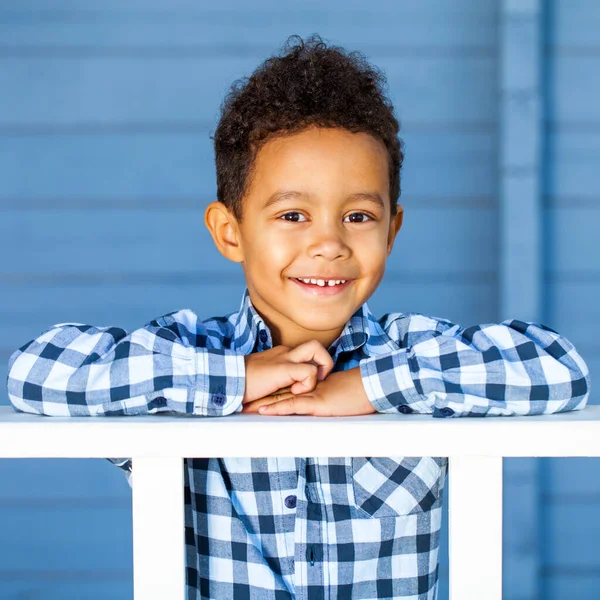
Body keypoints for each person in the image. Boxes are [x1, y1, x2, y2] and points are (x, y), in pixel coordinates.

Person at [6, 34, 590, 600]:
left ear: (393, 230)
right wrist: (237, 379)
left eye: (359, 216)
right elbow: (34, 372)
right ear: (229, 231)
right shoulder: (187, 355)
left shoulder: (413, 354)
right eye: (292, 216)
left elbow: (561, 367)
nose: (329, 243)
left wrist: (366, 387)